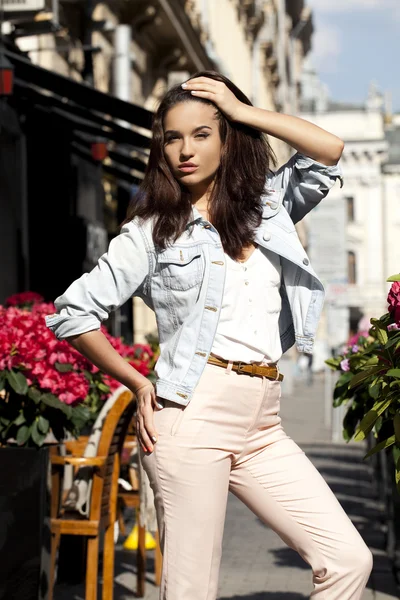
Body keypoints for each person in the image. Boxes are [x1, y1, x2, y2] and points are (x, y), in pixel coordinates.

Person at [46, 71, 373, 599]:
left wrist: (243, 110)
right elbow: (74, 311)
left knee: (347, 560)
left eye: (202, 133)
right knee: (193, 590)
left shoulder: (268, 206)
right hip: (191, 418)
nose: (185, 149)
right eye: (172, 137)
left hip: (264, 421)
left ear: (226, 138)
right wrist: (136, 381)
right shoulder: (152, 229)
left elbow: (329, 150)